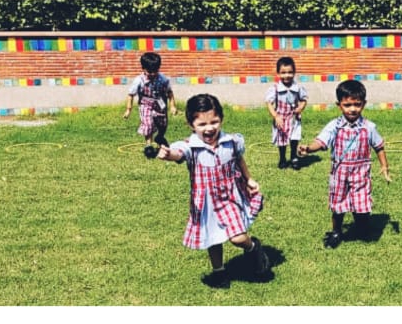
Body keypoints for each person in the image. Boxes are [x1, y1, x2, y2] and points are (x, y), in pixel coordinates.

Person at [157, 94, 269, 288]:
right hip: (206, 203)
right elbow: (178, 153)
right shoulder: (191, 147)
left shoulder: (231, 141)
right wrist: (168, 154)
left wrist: (249, 178)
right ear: (191, 125)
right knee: (212, 237)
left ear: (221, 119)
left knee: (238, 237)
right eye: (201, 124)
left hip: (229, 198)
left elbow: (239, 159)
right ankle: (219, 272)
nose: (209, 128)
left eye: (214, 122)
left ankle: (253, 248)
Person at [298, 79, 391, 248]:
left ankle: (362, 227)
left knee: (361, 202)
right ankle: (336, 232)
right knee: (338, 203)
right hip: (340, 171)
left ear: (364, 104)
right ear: (339, 105)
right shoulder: (334, 126)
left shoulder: (369, 127)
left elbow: (379, 147)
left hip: (361, 172)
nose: (352, 109)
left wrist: (384, 167)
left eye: (357, 104)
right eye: (347, 105)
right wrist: (309, 149)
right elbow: (321, 142)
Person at [124, 52, 177, 152]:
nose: (153, 74)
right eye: (150, 71)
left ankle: (160, 137)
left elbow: (169, 93)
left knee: (163, 124)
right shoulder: (139, 80)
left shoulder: (163, 79)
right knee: (148, 123)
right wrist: (128, 109)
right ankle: (148, 145)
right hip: (145, 104)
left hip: (160, 104)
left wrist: (172, 106)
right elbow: (131, 95)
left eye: (155, 71)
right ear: (143, 69)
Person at [265, 56, 307, 170]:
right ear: (278, 73)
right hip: (281, 119)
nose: (287, 75)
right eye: (283, 73)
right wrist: (276, 116)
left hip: (293, 118)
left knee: (294, 138)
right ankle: (282, 158)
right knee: (282, 140)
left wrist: (301, 107)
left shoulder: (298, 87)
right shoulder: (275, 88)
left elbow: (304, 100)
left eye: (290, 72)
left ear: (294, 72)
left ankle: (294, 157)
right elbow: (269, 103)